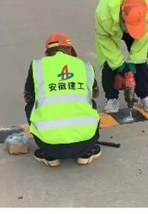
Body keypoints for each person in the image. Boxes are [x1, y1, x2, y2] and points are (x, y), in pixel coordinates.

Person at [25, 32, 101, 167]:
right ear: (70, 49)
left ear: (47, 53)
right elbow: (95, 93)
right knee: (89, 101)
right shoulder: (85, 66)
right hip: (86, 141)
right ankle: (86, 153)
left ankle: (49, 156)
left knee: (31, 105)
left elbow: (28, 96)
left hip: (49, 145)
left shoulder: (38, 66)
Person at [95, 0, 148, 113]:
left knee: (140, 59)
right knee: (109, 60)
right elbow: (105, 41)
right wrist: (120, 67)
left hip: (137, 18)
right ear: (123, 16)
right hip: (111, 23)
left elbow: (143, 42)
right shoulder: (103, 14)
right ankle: (111, 99)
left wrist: (133, 64)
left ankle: (145, 95)